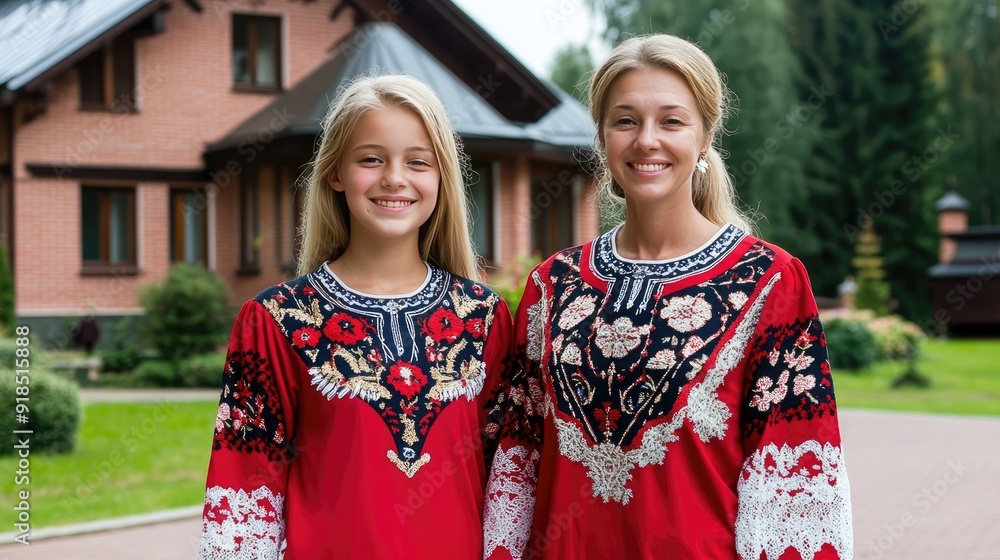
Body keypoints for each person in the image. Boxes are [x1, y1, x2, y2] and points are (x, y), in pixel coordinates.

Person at [483, 35, 853, 560]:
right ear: (602, 135)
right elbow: (517, 467)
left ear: (705, 137)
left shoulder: (771, 281)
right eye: (626, 120)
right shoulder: (551, 286)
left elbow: (793, 486)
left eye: (672, 121)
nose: (646, 140)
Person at [198, 75, 512, 559]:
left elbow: (508, 484)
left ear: (441, 178)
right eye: (371, 158)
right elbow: (245, 496)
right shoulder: (276, 320)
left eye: (418, 161)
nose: (394, 177)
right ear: (335, 173)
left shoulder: (483, 318)